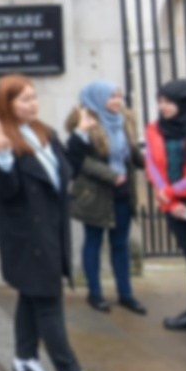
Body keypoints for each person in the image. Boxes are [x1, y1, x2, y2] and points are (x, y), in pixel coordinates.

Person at [0, 74, 112, 371]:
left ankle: (25, 359)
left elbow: (66, 167)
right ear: (6, 104)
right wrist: (4, 158)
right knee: (48, 302)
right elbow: (5, 192)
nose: (32, 104)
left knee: (33, 292)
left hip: (51, 230)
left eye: (34, 97)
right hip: (26, 235)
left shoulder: (45, 133)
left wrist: (80, 135)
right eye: (24, 99)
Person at [65, 81, 147, 314]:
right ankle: (95, 293)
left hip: (122, 192)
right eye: (112, 96)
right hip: (96, 193)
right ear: (98, 98)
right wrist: (110, 175)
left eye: (119, 96)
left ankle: (126, 294)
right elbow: (79, 160)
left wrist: (149, 165)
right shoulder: (85, 121)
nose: (117, 101)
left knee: (120, 244)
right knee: (93, 241)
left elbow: (131, 152)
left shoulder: (125, 120)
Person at [145, 79, 186, 350]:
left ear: (185, 103)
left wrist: (172, 191)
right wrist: (168, 199)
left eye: (169, 101)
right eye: (160, 101)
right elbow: (152, 165)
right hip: (174, 206)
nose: (163, 107)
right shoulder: (154, 129)